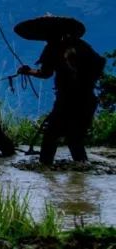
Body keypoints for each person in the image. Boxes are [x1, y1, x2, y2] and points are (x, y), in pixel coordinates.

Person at [15, 15, 105, 166]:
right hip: (87, 98)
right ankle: (82, 174)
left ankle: (46, 170)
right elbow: (99, 63)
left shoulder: (52, 48)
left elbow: (46, 73)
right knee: (75, 138)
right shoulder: (82, 45)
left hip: (67, 100)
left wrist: (28, 71)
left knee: (51, 136)